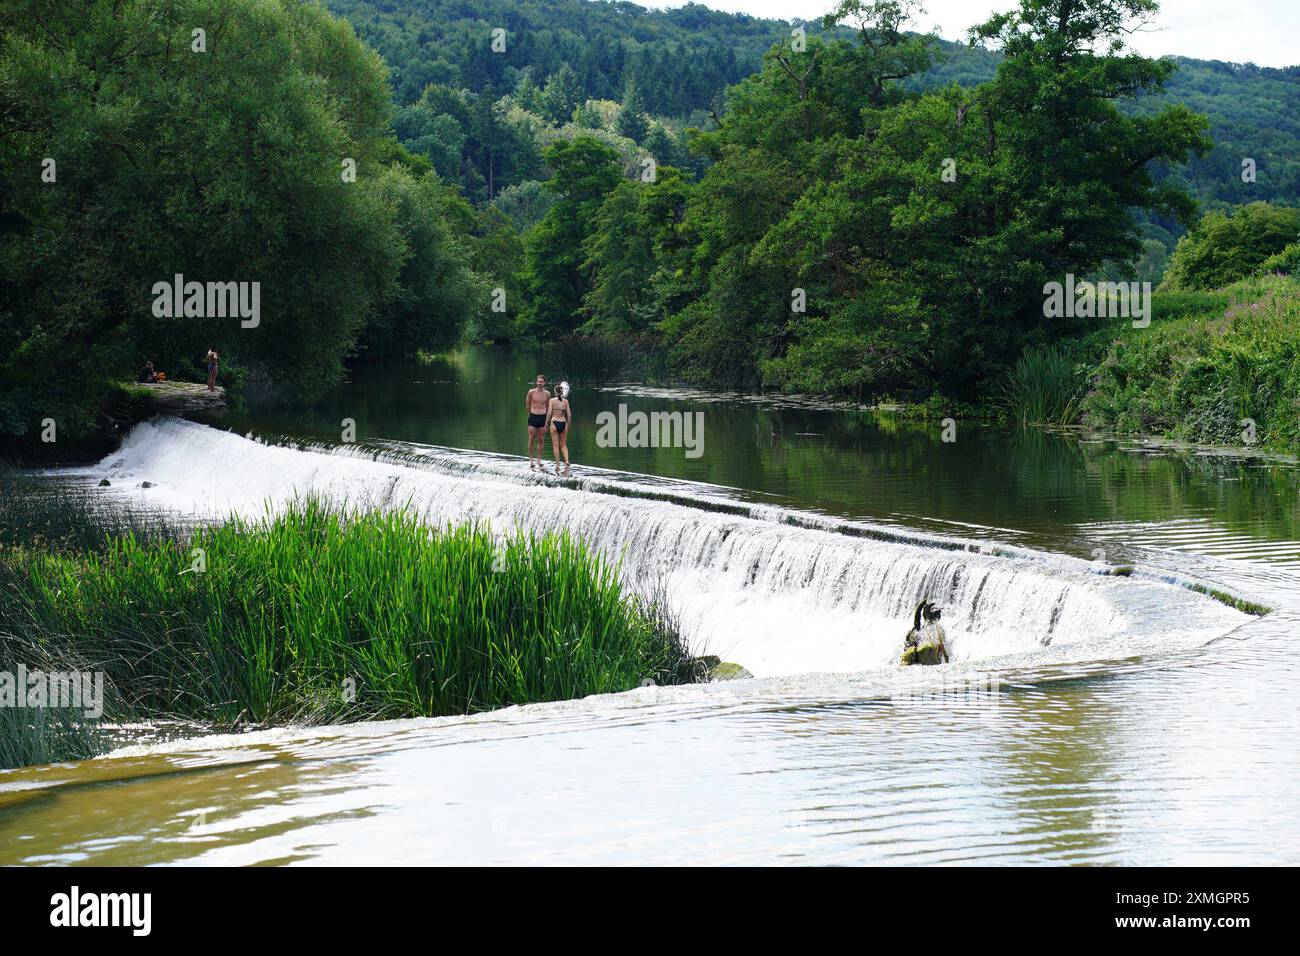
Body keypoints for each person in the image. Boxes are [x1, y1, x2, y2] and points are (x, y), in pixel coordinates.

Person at [545, 382, 572, 476]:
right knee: (564, 445)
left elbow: (548, 414)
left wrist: (545, 424)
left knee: (555, 446)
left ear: (555, 392)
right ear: (562, 392)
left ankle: (557, 464)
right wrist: (569, 425)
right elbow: (569, 414)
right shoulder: (566, 402)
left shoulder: (552, 401)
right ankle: (567, 461)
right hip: (563, 423)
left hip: (554, 423)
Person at [525, 374, 550, 470]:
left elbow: (548, 407)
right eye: (538, 381)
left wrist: (547, 421)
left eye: (541, 381)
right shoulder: (531, 392)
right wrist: (531, 414)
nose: (540, 383)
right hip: (533, 417)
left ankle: (539, 459)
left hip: (543, 418)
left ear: (544, 383)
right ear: (536, 382)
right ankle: (531, 460)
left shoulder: (547, 393)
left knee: (541, 440)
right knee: (531, 439)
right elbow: (527, 404)